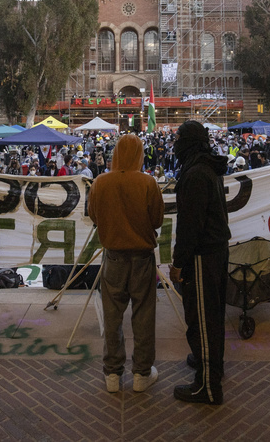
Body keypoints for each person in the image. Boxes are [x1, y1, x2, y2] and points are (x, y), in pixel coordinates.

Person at [87, 134, 164, 394]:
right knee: (143, 316)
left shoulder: (100, 182)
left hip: (114, 259)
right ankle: (142, 374)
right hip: (142, 259)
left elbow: (94, 216)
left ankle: (112, 373)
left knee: (112, 317)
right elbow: (157, 220)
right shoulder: (148, 182)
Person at [168, 120, 230, 405]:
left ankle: (207, 385)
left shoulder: (195, 174)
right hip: (214, 252)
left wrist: (179, 263)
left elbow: (189, 226)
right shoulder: (208, 168)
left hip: (203, 255)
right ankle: (208, 361)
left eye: (179, 137)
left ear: (188, 142)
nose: (175, 142)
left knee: (202, 318)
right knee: (212, 316)